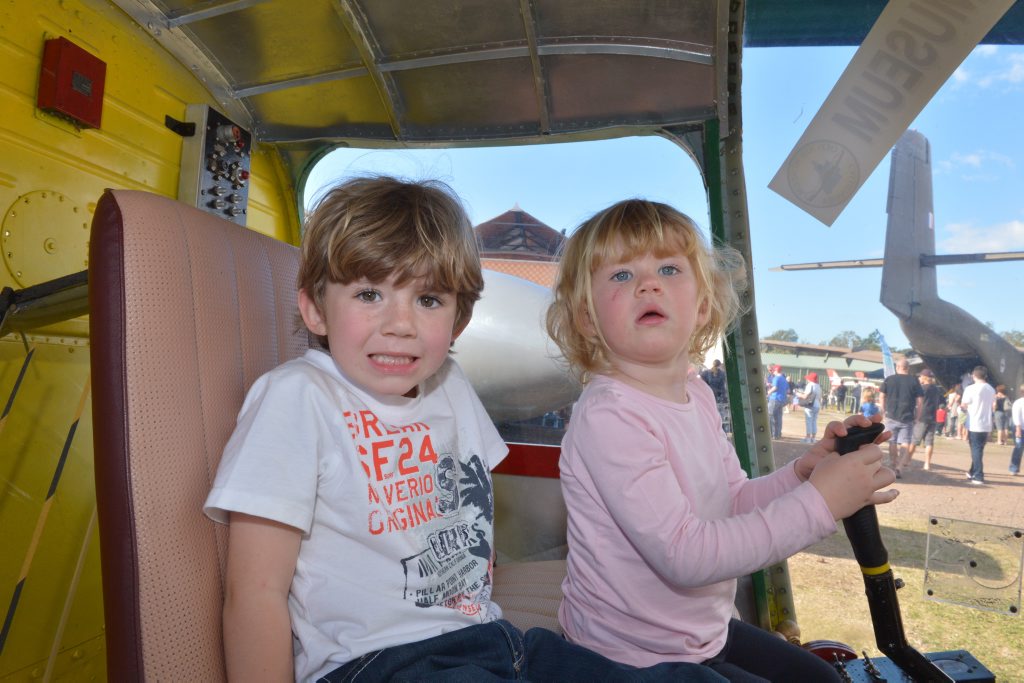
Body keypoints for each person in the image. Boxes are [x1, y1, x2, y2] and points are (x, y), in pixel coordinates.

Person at [203, 177, 722, 683]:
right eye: (368, 294)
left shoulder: (447, 383)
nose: (400, 323)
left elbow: (471, 505)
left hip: (492, 642)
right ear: (315, 308)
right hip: (382, 662)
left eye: (428, 300)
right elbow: (256, 590)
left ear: (458, 323)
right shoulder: (298, 398)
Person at [545, 199, 897, 681]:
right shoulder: (610, 415)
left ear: (703, 304)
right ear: (587, 318)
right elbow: (684, 555)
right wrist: (821, 504)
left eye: (669, 269)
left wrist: (803, 474)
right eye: (622, 276)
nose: (648, 283)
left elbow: (733, 499)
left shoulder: (695, 395)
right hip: (628, 655)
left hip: (702, 631)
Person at [878, 358, 923, 478]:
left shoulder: (889, 379)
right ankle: (899, 467)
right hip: (907, 416)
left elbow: (882, 396)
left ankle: (893, 464)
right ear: (908, 368)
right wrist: (917, 416)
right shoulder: (914, 381)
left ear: (897, 367)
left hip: (891, 415)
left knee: (892, 441)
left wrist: (883, 411)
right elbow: (920, 401)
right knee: (906, 442)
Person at [960, 365, 996, 485]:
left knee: (975, 449)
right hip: (986, 423)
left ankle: (979, 475)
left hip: (975, 422)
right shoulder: (991, 389)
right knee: (978, 449)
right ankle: (972, 471)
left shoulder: (971, 389)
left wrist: (962, 410)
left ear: (974, 376)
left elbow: (964, 404)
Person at [906, 369, 942, 471]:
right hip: (933, 417)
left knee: (914, 440)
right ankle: (927, 464)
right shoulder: (936, 389)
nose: (919, 378)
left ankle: (907, 460)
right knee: (929, 442)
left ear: (924, 377)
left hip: (922, 417)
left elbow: (916, 402)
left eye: (920, 376)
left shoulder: (922, 389)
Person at [795, 372, 822, 443]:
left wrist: (798, 394)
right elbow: (819, 397)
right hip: (817, 405)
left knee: (809, 422)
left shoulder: (810, 385)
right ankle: (813, 438)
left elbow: (805, 396)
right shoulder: (818, 385)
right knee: (814, 421)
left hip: (810, 405)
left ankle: (808, 438)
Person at [767, 364, 788, 439]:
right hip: (781, 400)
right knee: (779, 418)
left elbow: (775, 387)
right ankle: (778, 434)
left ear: (775, 370)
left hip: (774, 399)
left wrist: (768, 392)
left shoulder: (776, 378)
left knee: (770, 416)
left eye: (773, 370)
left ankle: (772, 434)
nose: (772, 371)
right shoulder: (783, 378)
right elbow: (787, 390)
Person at [1010, 384, 1024, 476]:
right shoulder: (1018, 402)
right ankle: (1014, 468)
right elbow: (1016, 417)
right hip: (1020, 428)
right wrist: (1018, 429)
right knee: (1018, 448)